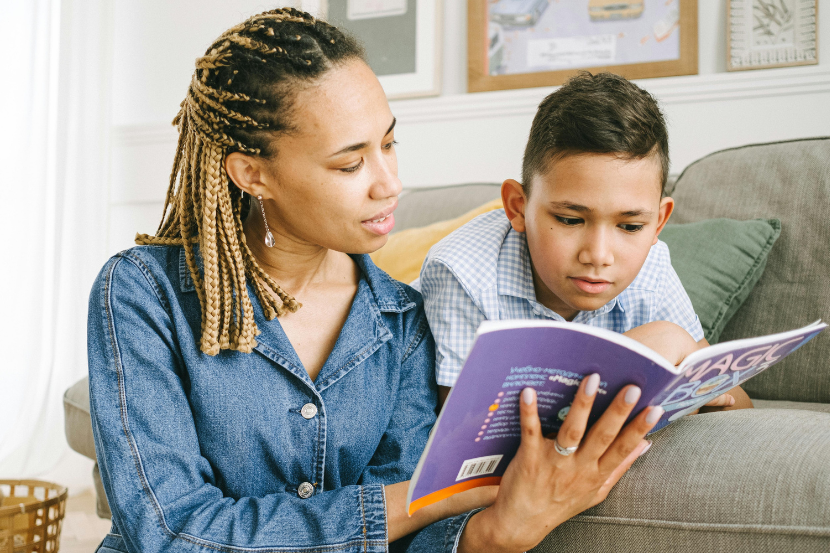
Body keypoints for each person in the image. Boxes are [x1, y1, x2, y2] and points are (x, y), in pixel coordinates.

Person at [87, 10, 660, 553]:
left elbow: (415, 542)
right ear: (253, 173)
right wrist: (408, 504)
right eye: (349, 163)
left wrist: (497, 533)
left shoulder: (403, 321)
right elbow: (171, 531)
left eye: (388, 144)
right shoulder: (143, 294)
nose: (390, 185)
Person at [420, 72, 754, 411]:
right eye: (569, 220)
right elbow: (465, 438)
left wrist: (700, 389)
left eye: (630, 226)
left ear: (658, 222)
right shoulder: (461, 272)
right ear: (518, 207)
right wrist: (657, 346)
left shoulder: (652, 269)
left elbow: (739, 406)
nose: (598, 255)